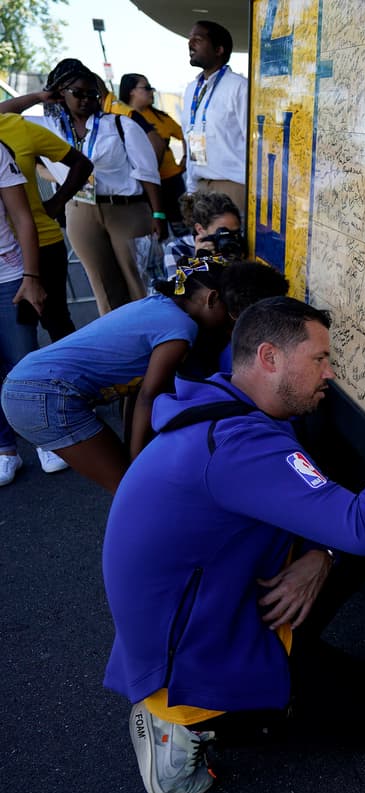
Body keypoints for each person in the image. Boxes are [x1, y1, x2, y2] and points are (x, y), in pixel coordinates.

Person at [101, 297, 365, 793]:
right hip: (192, 666)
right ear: (270, 357)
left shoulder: (230, 401)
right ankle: (181, 727)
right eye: (319, 359)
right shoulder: (238, 446)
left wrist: (323, 555)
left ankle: (280, 667)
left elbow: (328, 515)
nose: (330, 372)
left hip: (218, 610)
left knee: (344, 541)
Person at [0, 256, 231, 493]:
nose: (231, 322)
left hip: (25, 384)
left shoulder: (157, 306)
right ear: (212, 298)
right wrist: (137, 462)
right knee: (133, 491)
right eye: (231, 310)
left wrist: (134, 455)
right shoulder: (181, 328)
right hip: (44, 394)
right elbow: (148, 397)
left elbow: (136, 393)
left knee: (133, 485)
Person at [12, 60, 166, 315]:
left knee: (142, 282)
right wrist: (39, 97)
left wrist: (158, 213)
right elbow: (3, 114)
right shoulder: (46, 126)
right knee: (104, 288)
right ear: (60, 93)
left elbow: (148, 173)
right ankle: (118, 337)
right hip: (80, 210)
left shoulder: (120, 125)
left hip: (126, 210)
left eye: (92, 94)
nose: (86, 99)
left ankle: (156, 332)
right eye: (77, 93)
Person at [0, 105, 94, 344]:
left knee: (54, 324)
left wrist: (57, 202)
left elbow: (82, 164)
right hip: (5, 256)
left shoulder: (17, 126)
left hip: (41, 245)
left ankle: (73, 370)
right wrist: (38, 97)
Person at [0, 144, 48, 486]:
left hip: (8, 276)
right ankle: (5, 449)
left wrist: (31, 276)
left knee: (24, 362)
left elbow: (22, 217)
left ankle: (46, 438)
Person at [182, 21, 248, 217]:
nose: (190, 43)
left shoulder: (239, 87)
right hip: (201, 188)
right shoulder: (191, 90)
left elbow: (254, 145)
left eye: (198, 39)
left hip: (232, 188)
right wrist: (191, 189)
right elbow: (191, 140)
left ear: (219, 49)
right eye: (190, 39)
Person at [116, 74, 187, 233]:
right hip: (144, 185)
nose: (152, 92)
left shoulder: (161, 117)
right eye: (147, 88)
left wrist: (186, 157)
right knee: (154, 230)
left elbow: (185, 135)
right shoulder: (120, 118)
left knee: (181, 226)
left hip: (171, 181)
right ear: (131, 91)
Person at [163, 190, 242, 277]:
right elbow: (178, 285)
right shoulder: (177, 249)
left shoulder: (239, 243)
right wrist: (200, 261)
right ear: (200, 229)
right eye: (224, 233)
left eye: (235, 232)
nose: (230, 239)